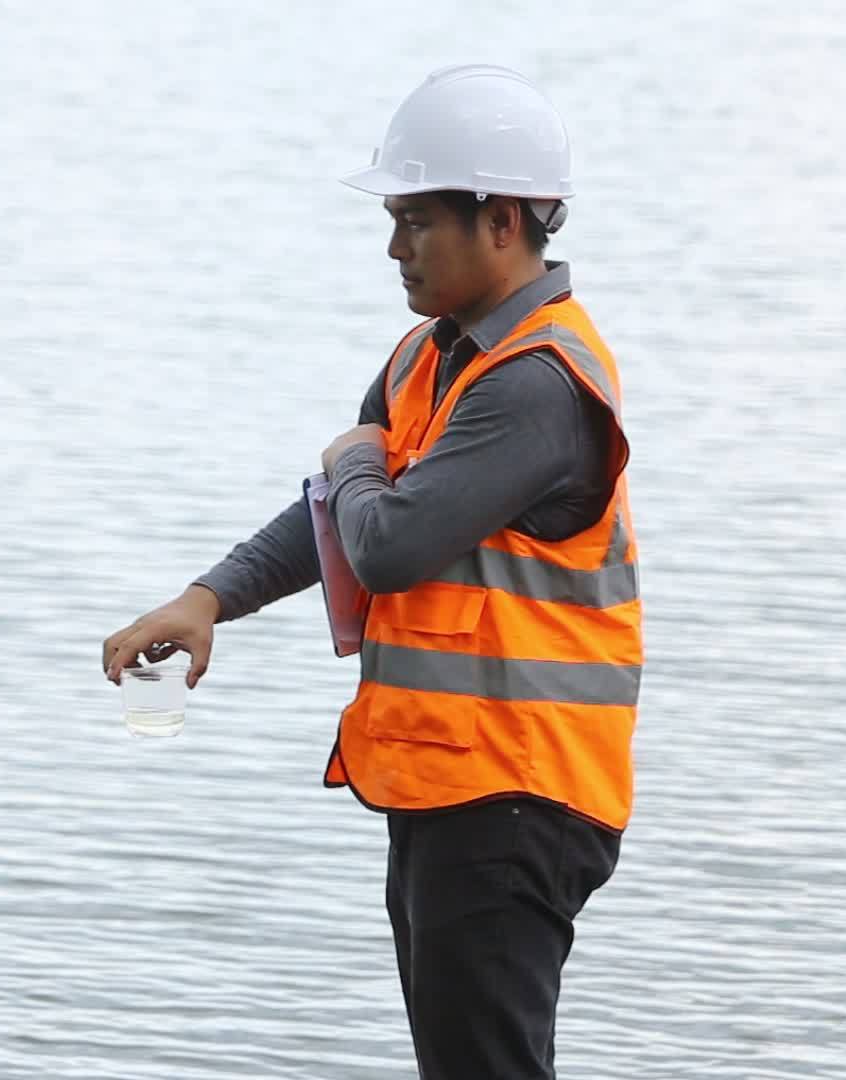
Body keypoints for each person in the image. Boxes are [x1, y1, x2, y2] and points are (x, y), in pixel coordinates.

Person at [102, 65, 641, 1079]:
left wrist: (354, 461)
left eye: (417, 221)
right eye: (393, 220)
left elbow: (385, 541)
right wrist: (208, 598)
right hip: (455, 784)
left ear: (504, 221)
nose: (395, 247)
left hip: (519, 789)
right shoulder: (432, 358)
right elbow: (338, 518)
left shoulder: (536, 383)